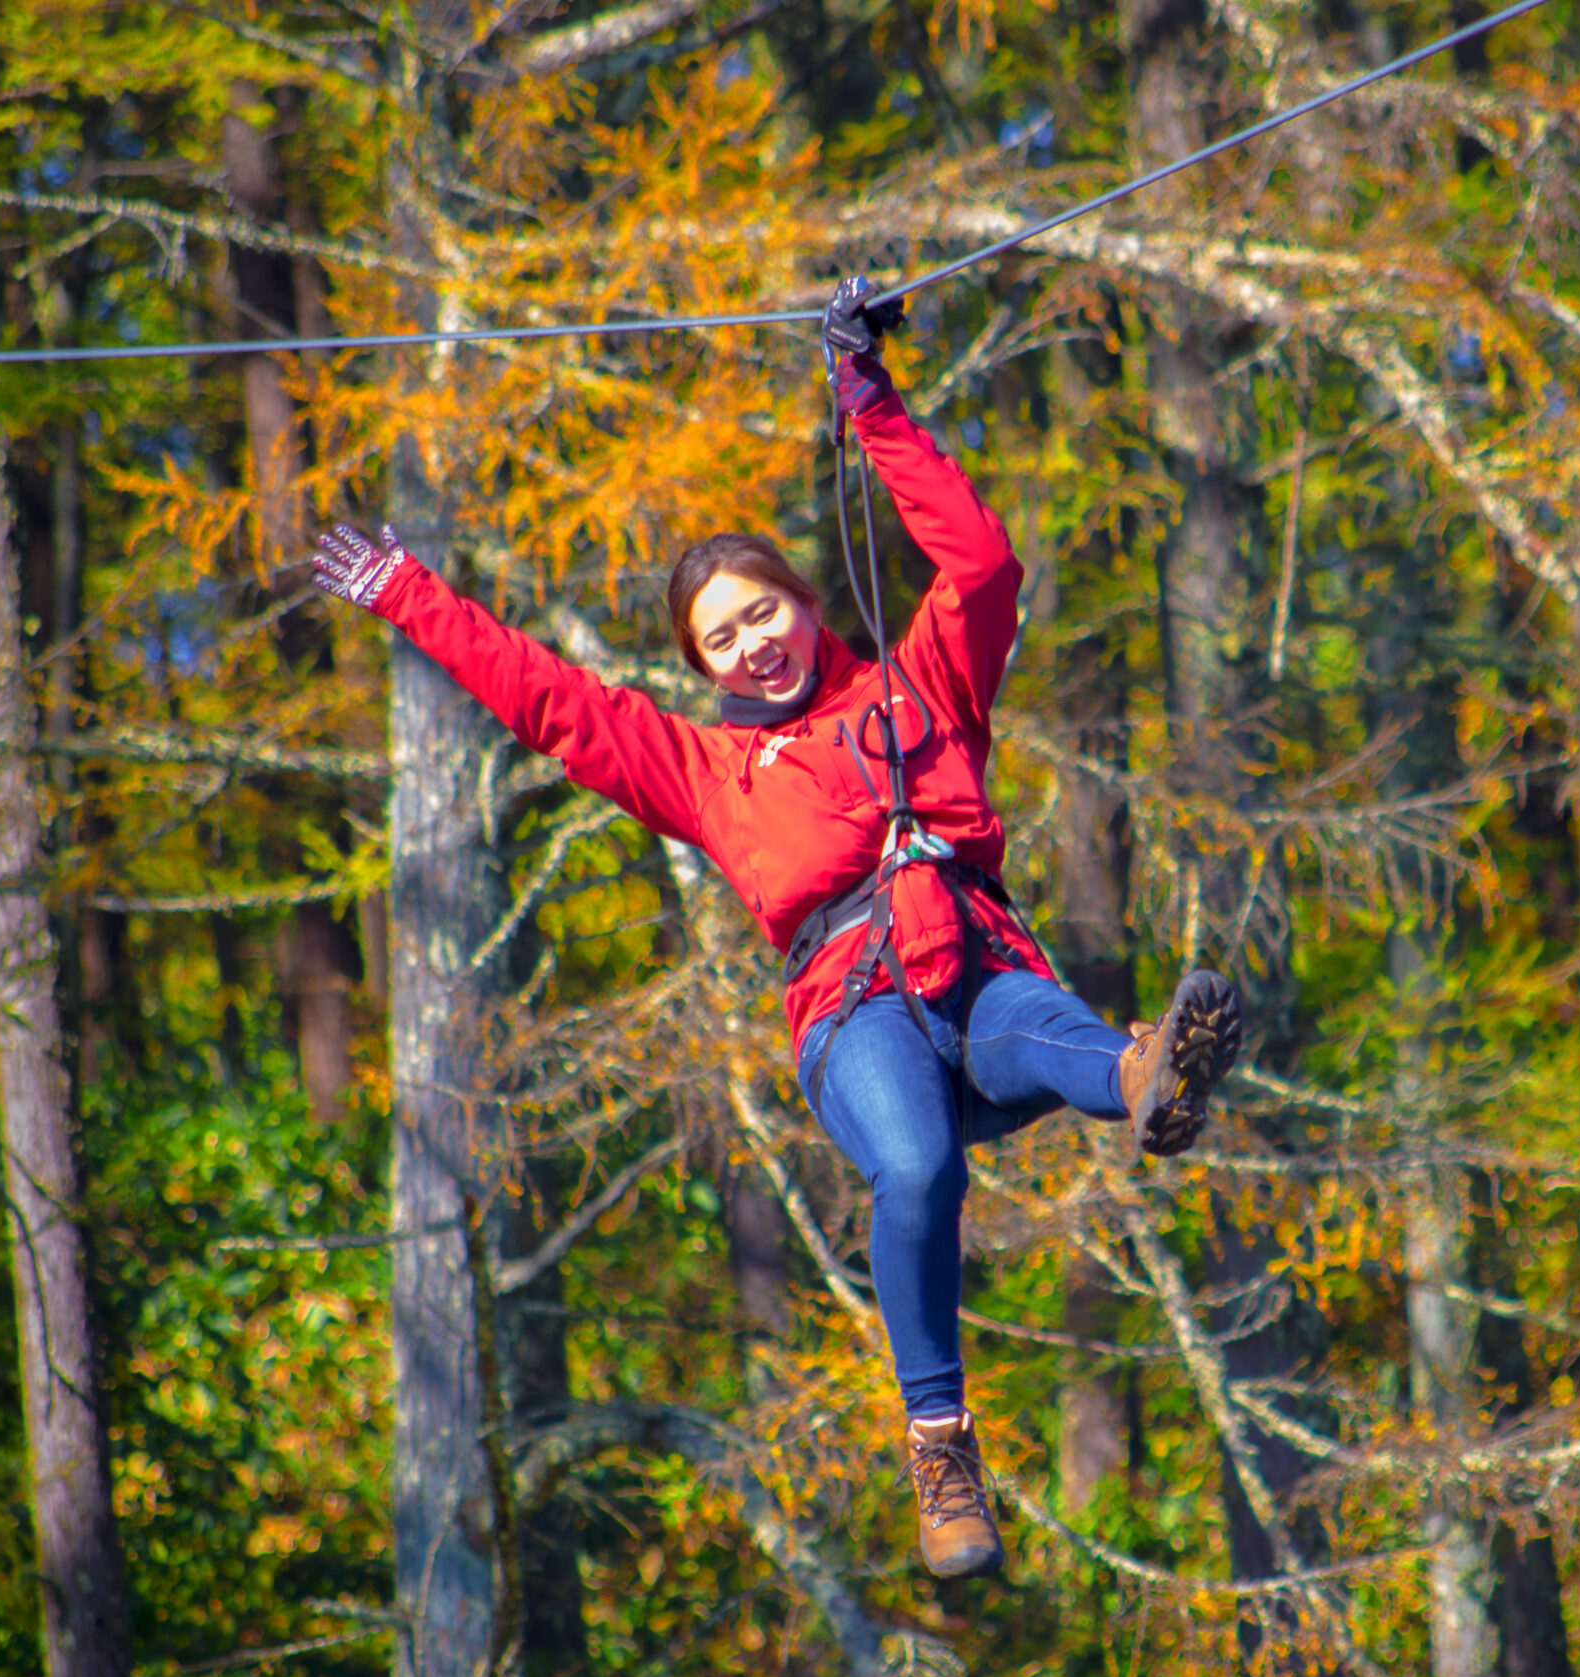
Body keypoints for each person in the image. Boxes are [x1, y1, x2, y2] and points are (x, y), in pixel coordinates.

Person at [312, 276, 1243, 1579]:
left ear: (806, 602)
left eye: (763, 612)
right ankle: (942, 1448)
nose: (752, 645)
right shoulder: (701, 771)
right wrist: (415, 595)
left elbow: (979, 561)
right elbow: (552, 701)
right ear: (700, 675)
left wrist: (871, 396)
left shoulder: (923, 683)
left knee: (1060, 1037)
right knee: (918, 1170)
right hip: (853, 1008)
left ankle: (1152, 1077)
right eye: (720, 641)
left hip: (970, 955)